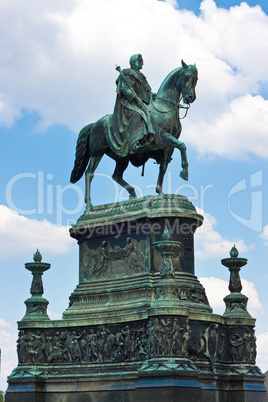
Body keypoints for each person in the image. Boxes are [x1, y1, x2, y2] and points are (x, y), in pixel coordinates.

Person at [111, 54, 155, 156]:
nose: (142, 63)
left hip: (142, 103)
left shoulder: (142, 76)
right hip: (129, 103)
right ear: (134, 62)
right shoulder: (127, 73)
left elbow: (146, 92)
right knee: (137, 115)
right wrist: (135, 98)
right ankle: (133, 142)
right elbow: (123, 88)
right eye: (140, 61)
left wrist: (153, 96)